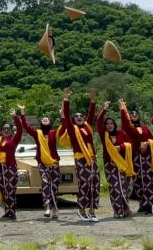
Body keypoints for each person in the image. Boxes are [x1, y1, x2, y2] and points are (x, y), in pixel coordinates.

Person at [18, 98, 65, 219]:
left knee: (54, 185)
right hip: (42, 163)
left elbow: (64, 126)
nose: (45, 119)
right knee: (45, 184)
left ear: (49, 122)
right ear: (41, 122)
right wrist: (22, 112)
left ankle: (55, 208)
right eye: (43, 119)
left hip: (54, 162)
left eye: (47, 119)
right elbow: (26, 127)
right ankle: (47, 207)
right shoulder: (37, 133)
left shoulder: (54, 133)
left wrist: (62, 114)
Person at [61, 90, 100, 222]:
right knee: (84, 184)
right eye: (76, 116)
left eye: (81, 116)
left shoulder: (88, 127)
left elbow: (91, 114)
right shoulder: (72, 130)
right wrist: (66, 99)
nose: (79, 117)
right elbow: (66, 116)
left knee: (95, 184)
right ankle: (82, 209)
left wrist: (93, 101)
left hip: (92, 159)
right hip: (81, 159)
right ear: (73, 119)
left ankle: (92, 211)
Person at [96, 101, 136, 218]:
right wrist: (105, 108)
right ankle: (117, 211)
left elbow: (130, 144)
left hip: (122, 165)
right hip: (110, 165)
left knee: (123, 188)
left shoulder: (120, 133)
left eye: (111, 123)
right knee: (114, 188)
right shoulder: (104, 134)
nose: (109, 125)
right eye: (107, 124)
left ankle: (126, 209)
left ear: (114, 124)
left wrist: (121, 147)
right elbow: (98, 121)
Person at [118, 100, 153, 215]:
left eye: (136, 114)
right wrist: (123, 109)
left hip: (147, 159)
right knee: (137, 182)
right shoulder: (128, 128)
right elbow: (125, 121)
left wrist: (146, 143)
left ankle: (148, 205)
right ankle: (142, 203)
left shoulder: (145, 128)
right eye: (132, 114)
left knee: (148, 182)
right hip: (134, 158)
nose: (134, 116)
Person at [0, 105, 23, 220]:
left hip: (10, 167)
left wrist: (15, 116)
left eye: (8, 128)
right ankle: (7, 211)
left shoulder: (14, 140)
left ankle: (12, 212)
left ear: (11, 131)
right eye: (4, 128)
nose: (6, 130)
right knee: (3, 189)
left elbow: (20, 128)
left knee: (10, 190)